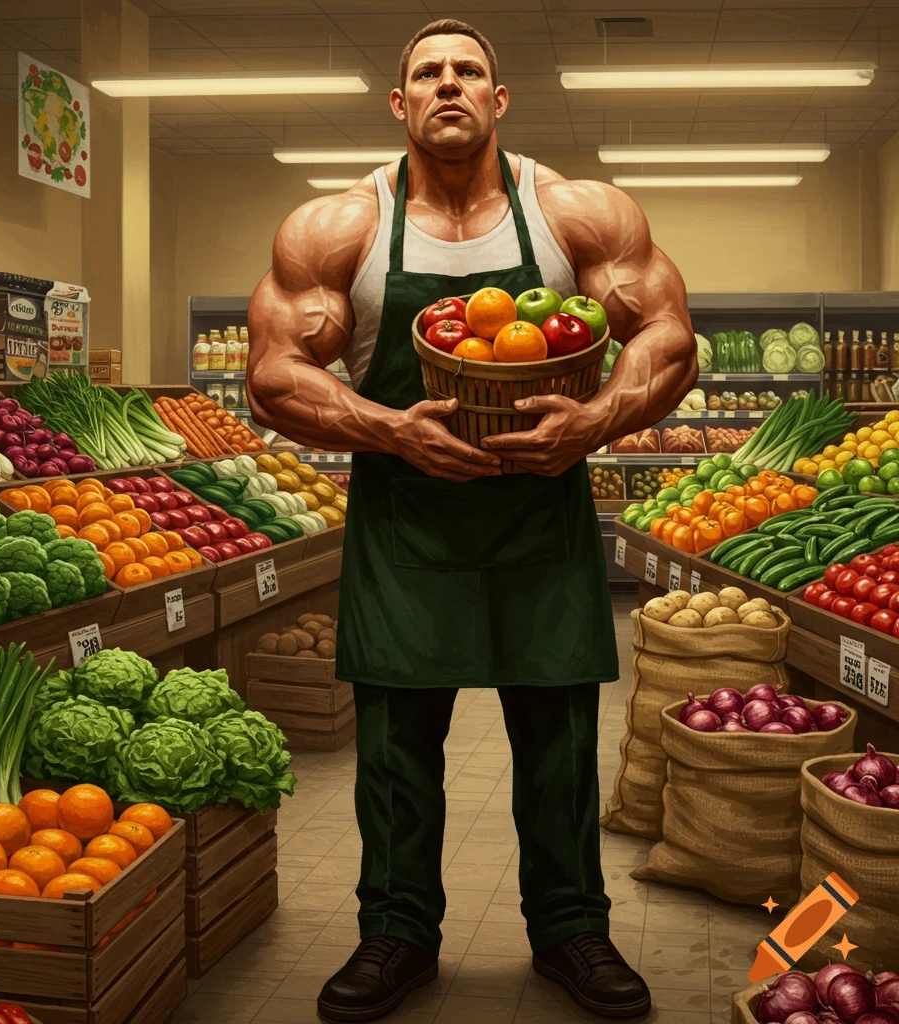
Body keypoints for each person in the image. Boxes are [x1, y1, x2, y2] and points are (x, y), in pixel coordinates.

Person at [247, 18, 697, 1022]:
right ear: (399, 102)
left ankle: (572, 929)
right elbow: (273, 372)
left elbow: (668, 334)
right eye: (427, 72)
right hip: (404, 522)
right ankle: (396, 932)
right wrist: (388, 430)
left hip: (542, 513)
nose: (447, 83)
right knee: (395, 748)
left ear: (499, 100)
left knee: (560, 739)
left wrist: (594, 421)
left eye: (468, 71)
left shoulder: (575, 213)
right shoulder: (339, 228)